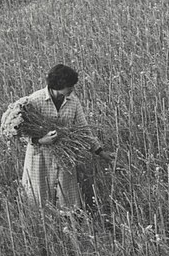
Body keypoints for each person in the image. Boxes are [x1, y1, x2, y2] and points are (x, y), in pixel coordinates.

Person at [21, 64, 113, 209]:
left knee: (66, 202)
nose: (72, 89)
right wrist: (40, 140)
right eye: (70, 85)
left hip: (65, 158)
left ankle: (68, 226)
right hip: (40, 159)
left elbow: (83, 130)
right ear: (60, 84)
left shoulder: (73, 102)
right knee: (39, 201)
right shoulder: (35, 100)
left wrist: (100, 152)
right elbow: (21, 131)